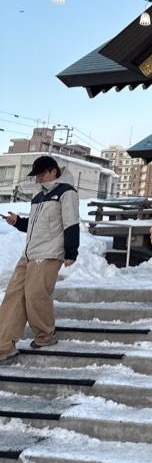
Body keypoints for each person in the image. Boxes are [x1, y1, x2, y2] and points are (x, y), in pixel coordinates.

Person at [0, 155, 80, 364]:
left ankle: (46, 335)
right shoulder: (39, 197)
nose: (38, 179)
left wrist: (71, 251)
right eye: (36, 175)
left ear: (53, 171)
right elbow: (35, 226)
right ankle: (3, 345)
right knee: (13, 296)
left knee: (35, 294)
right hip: (29, 253)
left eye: (41, 174)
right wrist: (18, 222)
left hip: (49, 253)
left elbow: (71, 222)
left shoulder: (66, 192)